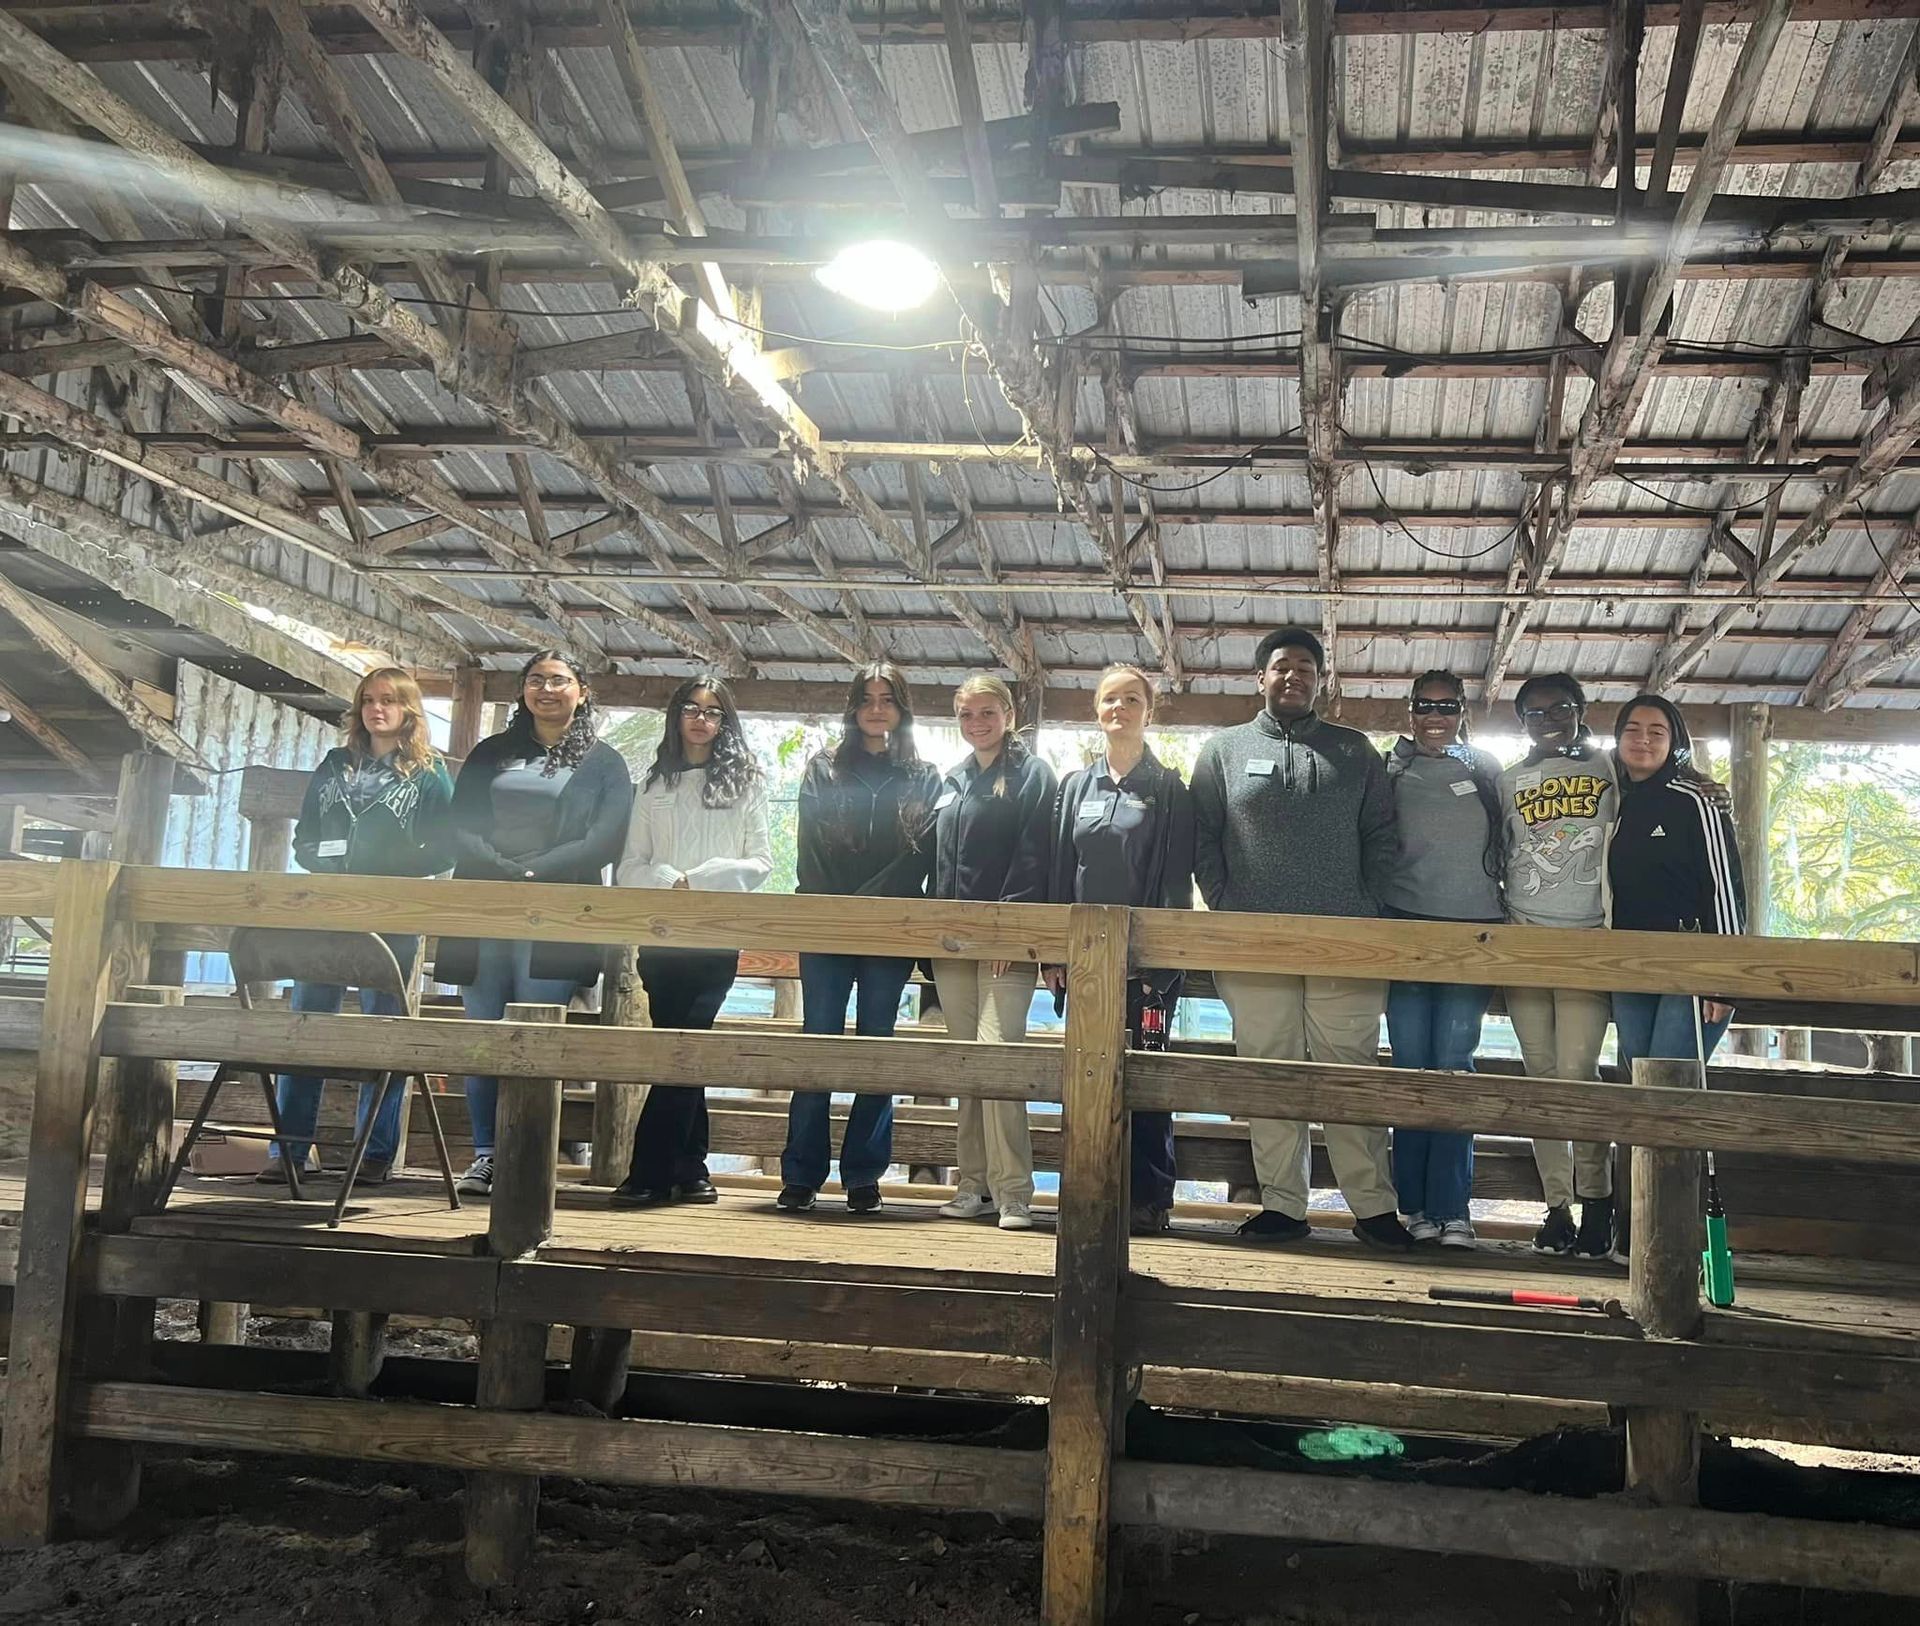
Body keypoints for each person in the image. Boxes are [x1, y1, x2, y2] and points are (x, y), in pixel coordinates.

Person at [1192, 627, 1413, 1252]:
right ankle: (1282, 1205)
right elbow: (1203, 837)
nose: (1294, 676)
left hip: (1344, 941)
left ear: (1321, 680)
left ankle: (1373, 1209)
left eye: (1307, 668)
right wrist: (1229, 905)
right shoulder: (1223, 751)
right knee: (1269, 1072)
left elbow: (1383, 835)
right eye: (1282, 666)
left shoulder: (1355, 751)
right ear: (1260, 677)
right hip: (1253, 942)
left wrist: (1364, 908)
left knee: (1351, 1074)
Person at [439, 651, 634, 1196]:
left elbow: (605, 838)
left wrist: (535, 870)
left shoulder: (604, 763)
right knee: (484, 1035)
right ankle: (485, 1155)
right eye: (535, 681)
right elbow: (462, 822)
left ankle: (529, 1154)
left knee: (538, 1034)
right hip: (485, 904)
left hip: (559, 912)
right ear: (523, 691)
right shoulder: (491, 753)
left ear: (582, 691)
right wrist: (502, 869)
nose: (546, 689)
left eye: (559, 681)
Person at [260, 667, 454, 1186]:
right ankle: (291, 1150)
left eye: (389, 700)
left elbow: (445, 845)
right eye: (368, 700)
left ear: (408, 709)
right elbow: (305, 838)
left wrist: (394, 870)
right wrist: (326, 868)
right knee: (307, 1026)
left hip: (393, 913)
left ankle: (375, 1152)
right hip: (326, 909)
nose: (377, 709)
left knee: (383, 1031)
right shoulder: (333, 765)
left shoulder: (430, 774)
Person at [778, 662, 941, 1215]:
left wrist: (877, 908)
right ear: (852, 707)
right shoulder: (822, 768)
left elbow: (921, 854)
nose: (876, 708)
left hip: (892, 926)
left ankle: (864, 1175)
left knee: (878, 1042)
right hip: (826, 920)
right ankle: (801, 1173)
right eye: (867, 698)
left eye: (888, 699)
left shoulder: (925, 775)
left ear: (902, 708)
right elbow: (810, 851)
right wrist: (839, 911)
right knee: (817, 1038)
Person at [610, 675, 772, 1209]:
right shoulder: (653, 784)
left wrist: (699, 878)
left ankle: (649, 1171)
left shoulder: (746, 782)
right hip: (660, 937)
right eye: (692, 709)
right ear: (677, 716)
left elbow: (761, 862)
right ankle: (692, 1168)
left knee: (685, 1040)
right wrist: (666, 881)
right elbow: (629, 865)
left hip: (717, 935)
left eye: (713, 711)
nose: (701, 719)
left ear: (725, 722)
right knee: (680, 1044)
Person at [1046, 664, 1195, 1236]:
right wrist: (1055, 956)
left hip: (1146, 967)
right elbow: (1062, 873)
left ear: (1148, 712)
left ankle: (1149, 1199)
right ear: (1096, 709)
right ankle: (1088, 1191)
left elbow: (1176, 884)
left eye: (1131, 699)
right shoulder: (1074, 788)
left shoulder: (1169, 788)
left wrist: (1159, 966)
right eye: (1110, 699)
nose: (1119, 708)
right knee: (1084, 1078)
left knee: (1147, 1079)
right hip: (1084, 964)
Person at [1379, 671, 1505, 1249]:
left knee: (1454, 1063)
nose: (1436, 715)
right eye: (1425, 705)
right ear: (1409, 711)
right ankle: (1414, 1208)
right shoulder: (1387, 771)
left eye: (1447, 706)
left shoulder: (1485, 771)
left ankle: (1453, 1208)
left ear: (1463, 711)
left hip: (1473, 934)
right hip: (1404, 928)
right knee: (1410, 1064)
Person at [930, 675, 1057, 1231]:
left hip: (1006, 942)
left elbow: (1036, 855)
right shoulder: (953, 778)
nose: (977, 723)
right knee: (967, 1069)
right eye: (966, 714)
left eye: (987, 712)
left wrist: (1010, 929)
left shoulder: (1033, 775)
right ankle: (971, 1183)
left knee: (999, 1059)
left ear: (1009, 712)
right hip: (951, 942)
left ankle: (1014, 1193)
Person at [1499, 673, 1619, 1258]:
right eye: (1536, 713)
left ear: (1580, 711)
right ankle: (1556, 1207)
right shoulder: (1506, 781)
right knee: (1540, 1076)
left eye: (1561, 709)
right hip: (1523, 939)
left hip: (1587, 941)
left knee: (1578, 1074)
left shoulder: (1611, 771)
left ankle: (1598, 1200)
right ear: (1522, 722)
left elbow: (1663, 781)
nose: (1549, 720)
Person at [1608, 692, 1745, 1084]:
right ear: (1618, 739)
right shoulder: (1617, 803)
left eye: (1657, 731)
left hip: (1692, 963)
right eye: (1632, 730)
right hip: (1628, 962)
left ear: (1674, 743)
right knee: (1637, 1082)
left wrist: (1724, 979)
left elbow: (1725, 888)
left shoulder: (1695, 801)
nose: (1643, 740)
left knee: (1671, 1087)